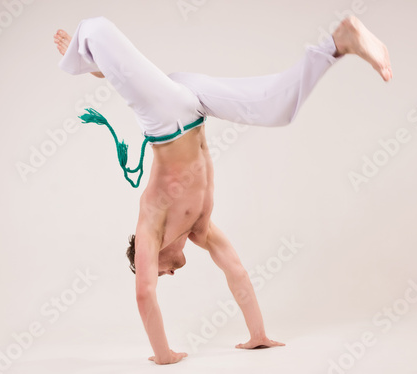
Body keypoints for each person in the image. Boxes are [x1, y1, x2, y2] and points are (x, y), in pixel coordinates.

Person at [54, 15, 391, 365]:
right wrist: (257, 335)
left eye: (157, 270)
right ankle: (338, 42)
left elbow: (144, 295)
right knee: (278, 108)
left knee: (97, 31)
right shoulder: (200, 229)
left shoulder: (150, 226)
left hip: (166, 119)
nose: (167, 274)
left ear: (146, 257)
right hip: (192, 104)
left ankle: (85, 51)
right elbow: (236, 271)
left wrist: (164, 354)